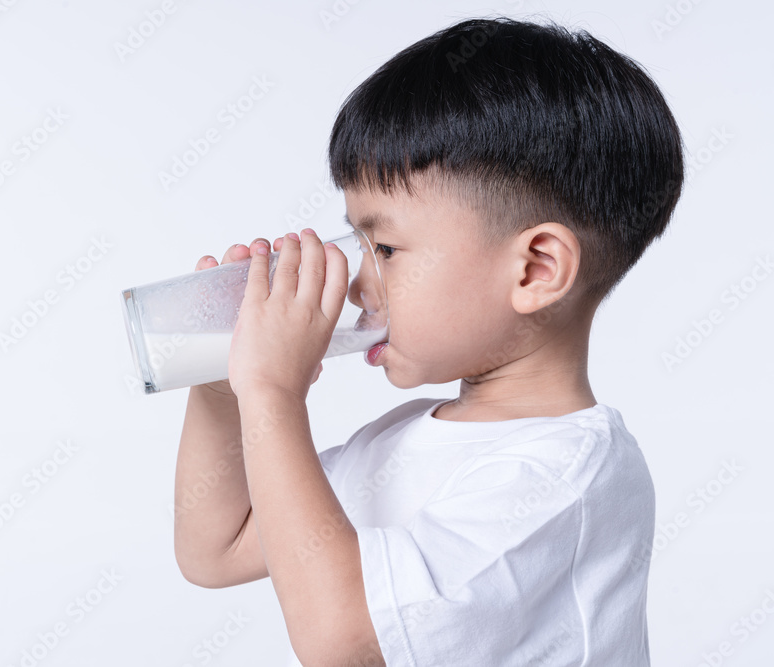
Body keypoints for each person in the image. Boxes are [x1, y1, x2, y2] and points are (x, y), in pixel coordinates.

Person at [173, 15, 683, 666]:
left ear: (535, 270)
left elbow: (345, 642)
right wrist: (225, 390)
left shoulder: (564, 473)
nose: (358, 279)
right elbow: (217, 545)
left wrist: (273, 391)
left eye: (384, 246)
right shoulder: (406, 440)